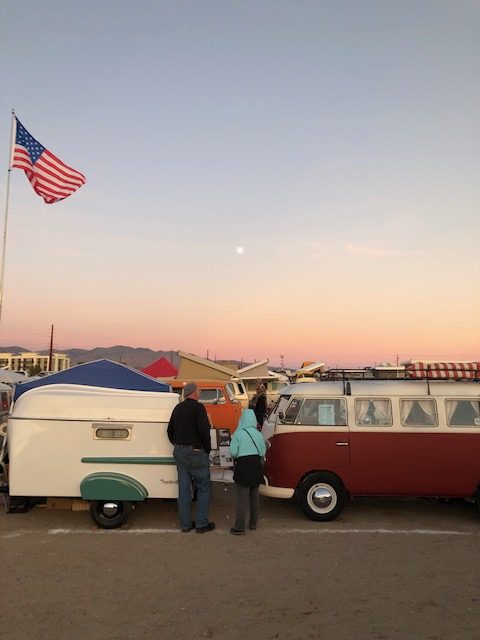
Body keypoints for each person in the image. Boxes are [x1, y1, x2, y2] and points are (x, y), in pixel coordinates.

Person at [167, 382, 215, 533]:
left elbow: (169, 430)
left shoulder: (178, 408)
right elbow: (204, 431)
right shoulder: (199, 408)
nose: (200, 392)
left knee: (184, 488)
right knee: (203, 486)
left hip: (180, 452)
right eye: (199, 390)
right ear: (193, 393)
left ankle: (185, 524)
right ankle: (201, 523)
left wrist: (177, 444)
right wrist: (207, 449)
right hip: (196, 452)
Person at [229, 408, 267, 535]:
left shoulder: (238, 434)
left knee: (241, 499)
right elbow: (263, 452)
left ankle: (239, 527)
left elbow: (233, 452)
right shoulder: (259, 434)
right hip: (256, 466)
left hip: (243, 467)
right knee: (254, 497)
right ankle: (253, 523)